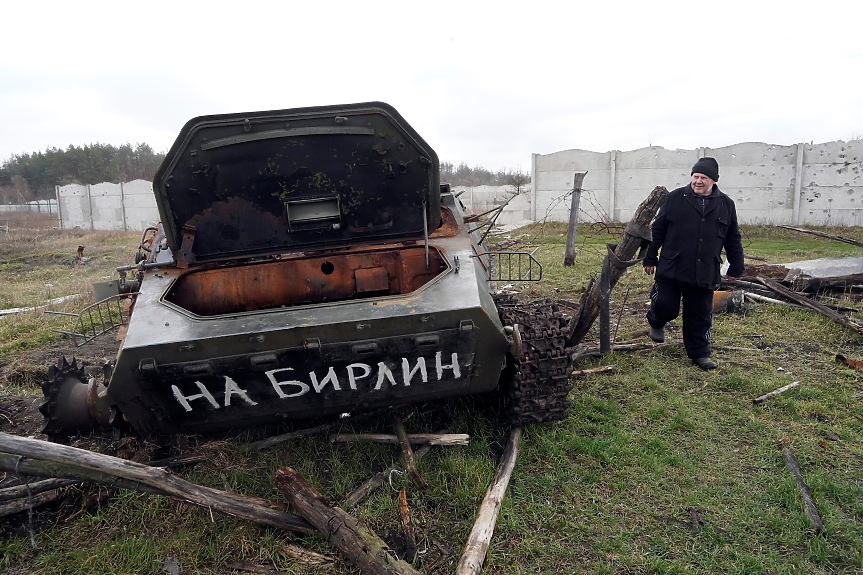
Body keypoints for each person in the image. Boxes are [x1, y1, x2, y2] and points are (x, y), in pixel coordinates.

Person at [642, 157, 745, 370]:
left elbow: (733, 238)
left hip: (704, 270)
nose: (698, 181)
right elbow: (657, 230)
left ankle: (700, 353)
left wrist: (736, 265)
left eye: (703, 177)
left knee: (700, 314)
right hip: (672, 266)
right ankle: (656, 321)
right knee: (665, 306)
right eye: (695, 176)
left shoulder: (726, 204)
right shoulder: (674, 198)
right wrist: (650, 257)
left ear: (714, 181)